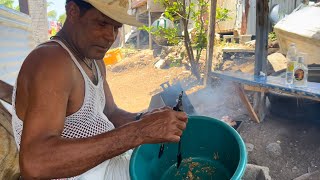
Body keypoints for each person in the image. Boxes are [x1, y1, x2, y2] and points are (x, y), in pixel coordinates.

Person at [11, 0, 188, 179]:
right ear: (73, 11)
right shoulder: (51, 61)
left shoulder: (94, 61)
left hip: (106, 164)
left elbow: (110, 112)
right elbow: (35, 163)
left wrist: (145, 120)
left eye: (116, 27)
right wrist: (139, 131)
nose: (110, 36)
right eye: (102, 23)